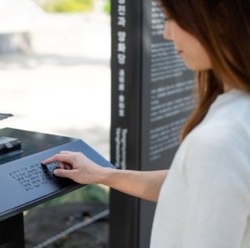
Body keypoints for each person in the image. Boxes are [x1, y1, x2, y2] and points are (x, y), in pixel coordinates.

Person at [42, 0, 250, 247]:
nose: (166, 32)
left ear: (220, 19)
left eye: (172, 18)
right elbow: (190, 186)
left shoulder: (219, 140)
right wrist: (103, 174)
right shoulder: (237, 113)